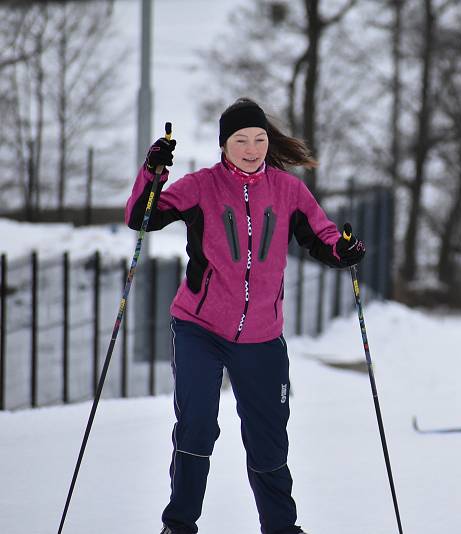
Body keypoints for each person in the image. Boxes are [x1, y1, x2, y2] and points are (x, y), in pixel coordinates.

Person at [126, 97, 366, 534]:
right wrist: (153, 173)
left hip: (261, 336)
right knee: (197, 426)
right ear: (224, 145)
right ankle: (178, 526)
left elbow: (322, 236)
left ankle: (281, 528)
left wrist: (342, 250)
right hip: (200, 327)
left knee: (269, 439)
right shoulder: (201, 186)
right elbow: (142, 217)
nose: (252, 148)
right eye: (241, 140)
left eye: (259, 139)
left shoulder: (289, 190)